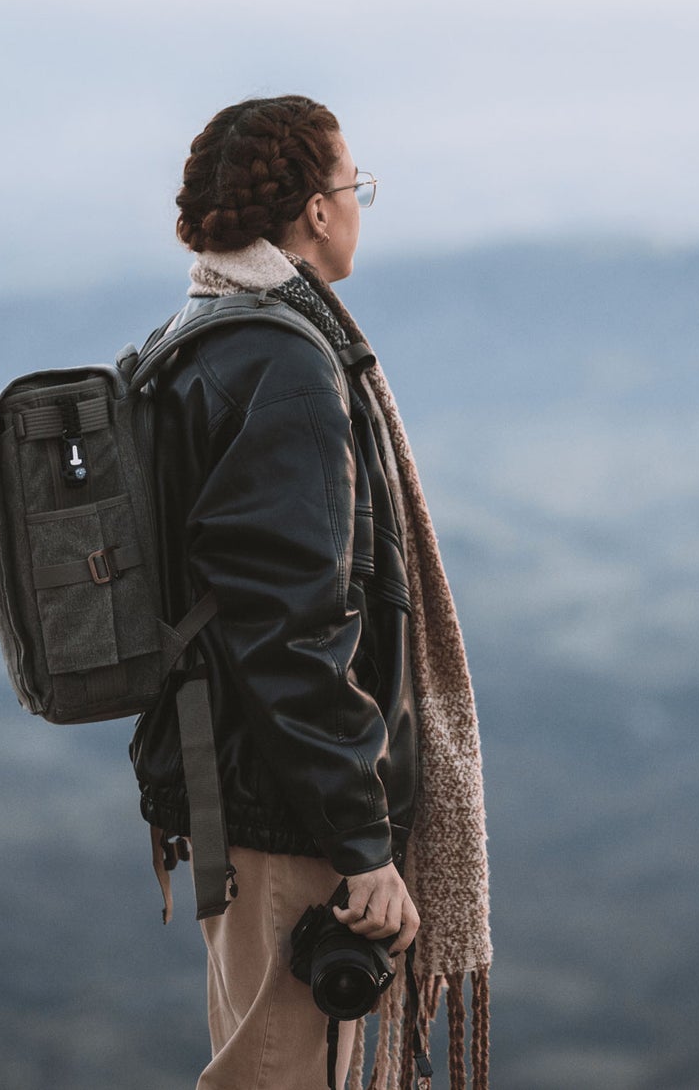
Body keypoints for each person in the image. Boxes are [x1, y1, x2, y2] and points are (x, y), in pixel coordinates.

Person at [130, 95, 491, 1090]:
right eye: (352, 184)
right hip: (281, 811)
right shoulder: (284, 360)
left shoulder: (203, 327)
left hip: (233, 784)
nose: (356, 206)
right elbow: (288, 625)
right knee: (278, 1074)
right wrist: (360, 842)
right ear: (316, 210)